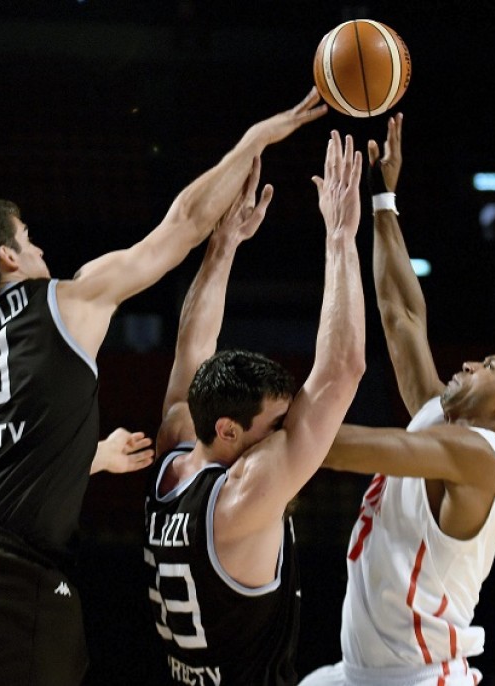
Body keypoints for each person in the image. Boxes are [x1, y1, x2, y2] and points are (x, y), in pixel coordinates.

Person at [0, 88, 330, 686]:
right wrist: (256, 138)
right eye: (28, 238)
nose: (40, 248)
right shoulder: (62, 301)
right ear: (7, 256)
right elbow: (181, 226)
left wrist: (91, 456)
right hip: (4, 571)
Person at [299, 113, 495, 686]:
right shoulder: (443, 417)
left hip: (422, 678)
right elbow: (401, 316)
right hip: (358, 673)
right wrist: (383, 200)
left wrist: (264, 422)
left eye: (489, 367)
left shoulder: (481, 458)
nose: (469, 365)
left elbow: (338, 449)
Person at [144, 131, 366, 685]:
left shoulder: (174, 451)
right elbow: (342, 370)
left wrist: (224, 245)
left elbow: (192, 346)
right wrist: (340, 236)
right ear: (228, 429)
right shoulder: (242, 493)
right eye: (275, 425)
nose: (285, 432)